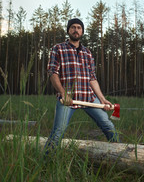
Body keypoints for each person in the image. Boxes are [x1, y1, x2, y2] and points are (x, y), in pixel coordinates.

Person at [44, 18, 120, 154]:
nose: (76, 30)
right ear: (68, 30)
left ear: (82, 31)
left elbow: (92, 78)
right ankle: (45, 165)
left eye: (79, 27)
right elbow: (52, 73)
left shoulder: (87, 52)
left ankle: (119, 156)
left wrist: (102, 99)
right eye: (73, 27)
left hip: (88, 98)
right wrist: (63, 93)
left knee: (108, 125)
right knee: (58, 132)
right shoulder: (58, 49)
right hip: (68, 99)